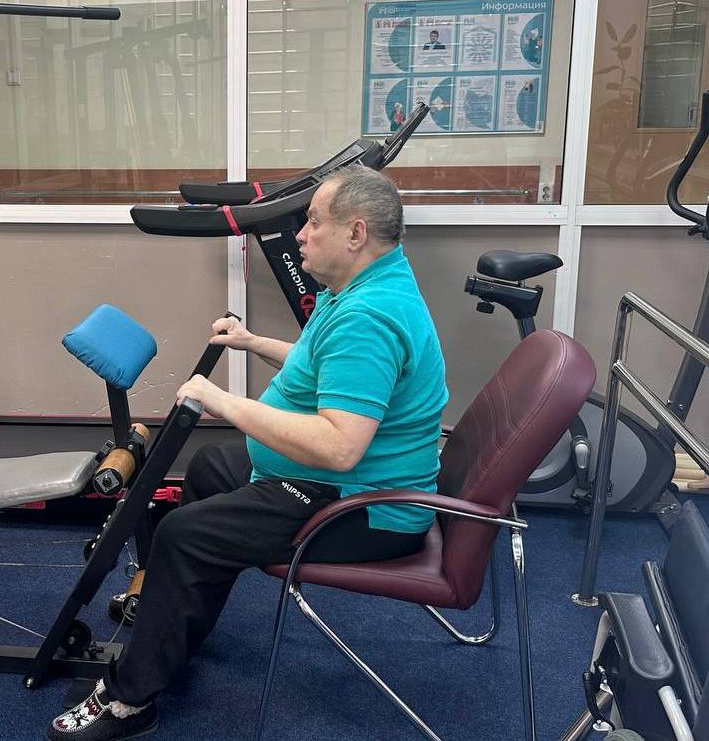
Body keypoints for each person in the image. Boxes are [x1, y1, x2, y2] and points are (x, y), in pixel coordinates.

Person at [45, 165, 449, 741]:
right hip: (343, 481)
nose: (301, 235)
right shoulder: (364, 286)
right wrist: (252, 342)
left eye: (314, 223)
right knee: (212, 467)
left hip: (359, 505)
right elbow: (322, 367)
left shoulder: (368, 316)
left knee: (182, 534)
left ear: (355, 233)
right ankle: (170, 625)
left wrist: (223, 401)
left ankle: (131, 700)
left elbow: (338, 448)